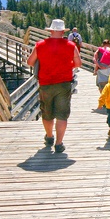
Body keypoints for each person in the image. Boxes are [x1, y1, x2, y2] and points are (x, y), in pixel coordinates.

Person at [26, 19, 82, 153]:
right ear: (63, 31)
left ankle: (49, 136)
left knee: (47, 112)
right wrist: (67, 66)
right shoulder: (70, 45)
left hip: (46, 84)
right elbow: (78, 64)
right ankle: (59, 143)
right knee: (62, 115)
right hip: (64, 84)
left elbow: (30, 62)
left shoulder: (40, 45)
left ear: (50, 31)